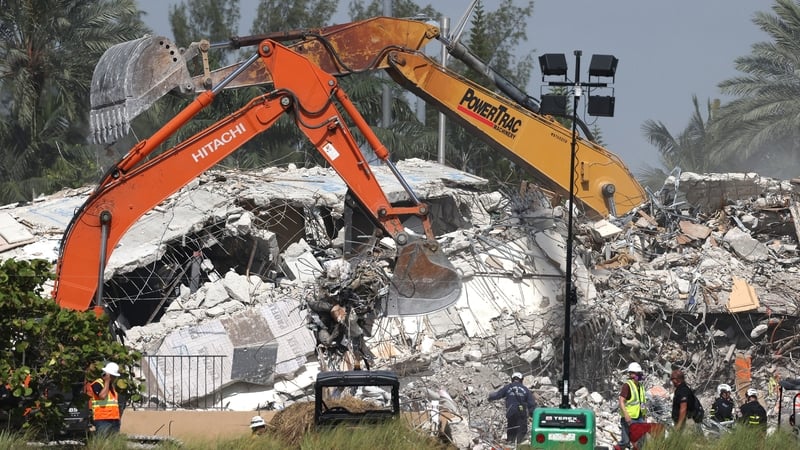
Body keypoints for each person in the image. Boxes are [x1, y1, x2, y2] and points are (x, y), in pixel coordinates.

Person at [487, 372, 537, 445]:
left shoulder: (508, 387)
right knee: (522, 428)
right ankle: (519, 444)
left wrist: (490, 397)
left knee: (511, 427)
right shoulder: (525, 389)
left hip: (510, 411)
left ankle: (510, 443)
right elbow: (531, 403)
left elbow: (498, 394)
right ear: (521, 380)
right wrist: (532, 414)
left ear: (512, 379)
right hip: (521, 412)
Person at [616, 362, 647, 449]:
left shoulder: (641, 386)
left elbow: (642, 402)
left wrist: (644, 416)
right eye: (637, 374)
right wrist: (626, 415)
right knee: (625, 442)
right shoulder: (627, 385)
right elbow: (621, 401)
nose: (639, 376)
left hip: (639, 417)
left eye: (640, 374)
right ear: (631, 374)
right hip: (629, 418)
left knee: (641, 440)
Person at [86, 362, 122, 435]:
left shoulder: (111, 387)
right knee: (103, 440)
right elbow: (102, 396)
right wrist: (107, 381)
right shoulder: (97, 384)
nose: (114, 378)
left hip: (114, 419)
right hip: (102, 419)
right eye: (113, 376)